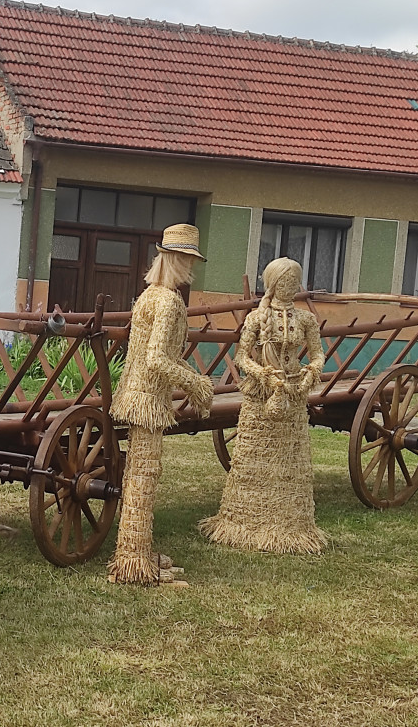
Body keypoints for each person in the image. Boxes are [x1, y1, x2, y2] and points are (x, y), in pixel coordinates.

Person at [199, 256, 328, 553]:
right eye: (283, 282)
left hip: (294, 389)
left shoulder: (306, 319)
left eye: (294, 282)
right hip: (262, 392)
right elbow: (242, 357)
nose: (289, 287)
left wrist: (311, 372)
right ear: (272, 284)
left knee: (289, 458)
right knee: (254, 456)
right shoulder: (256, 319)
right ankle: (245, 521)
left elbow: (318, 354)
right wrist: (264, 374)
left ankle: (288, 525)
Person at [108, 223, 214, 586]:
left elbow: (159, 355)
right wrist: (196, 382)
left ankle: (135, 556)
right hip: (148, 398)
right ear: (177, 260)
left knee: (138, 475)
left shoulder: (149, 294)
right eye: (188, 260)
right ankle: (133, 565)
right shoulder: (168, 301)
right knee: (144, 477)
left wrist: (188, 376)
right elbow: (156, 359)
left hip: (136, 392)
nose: (192, 269)